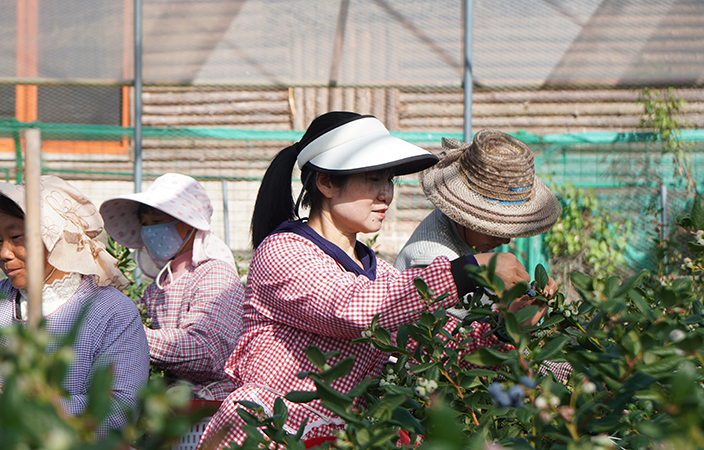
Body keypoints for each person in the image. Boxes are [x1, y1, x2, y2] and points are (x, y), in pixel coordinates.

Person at [197, 112, 551, 449]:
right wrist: (468, 270)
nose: (386, 194)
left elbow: (435, 345)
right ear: (326, 182)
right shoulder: (283, 252)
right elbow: (352, 310)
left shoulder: (378, 272)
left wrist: (508, 326)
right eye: (373, 178)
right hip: (271, 433)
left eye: (389, 180)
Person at [0, 175, 150, 445]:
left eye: (16, 237)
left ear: (54, 237)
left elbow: (117, 412)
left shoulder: (110, 312)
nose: (3, 254)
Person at [394, 130, 571, 380]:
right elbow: (449, 355)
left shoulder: (457, 235)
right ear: (464, 214)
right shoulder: (432, 259)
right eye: (495, 228)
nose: (505, 239)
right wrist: (507, 327)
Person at [100, 174, 244, 401]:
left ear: (188, 222)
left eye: (156, 222)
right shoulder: (156, 289)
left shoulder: (215, 275)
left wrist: (128, 333)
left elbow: (207, 352)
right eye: (145, 224)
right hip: (170, 408)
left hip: (210, 409)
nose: (149, 231)